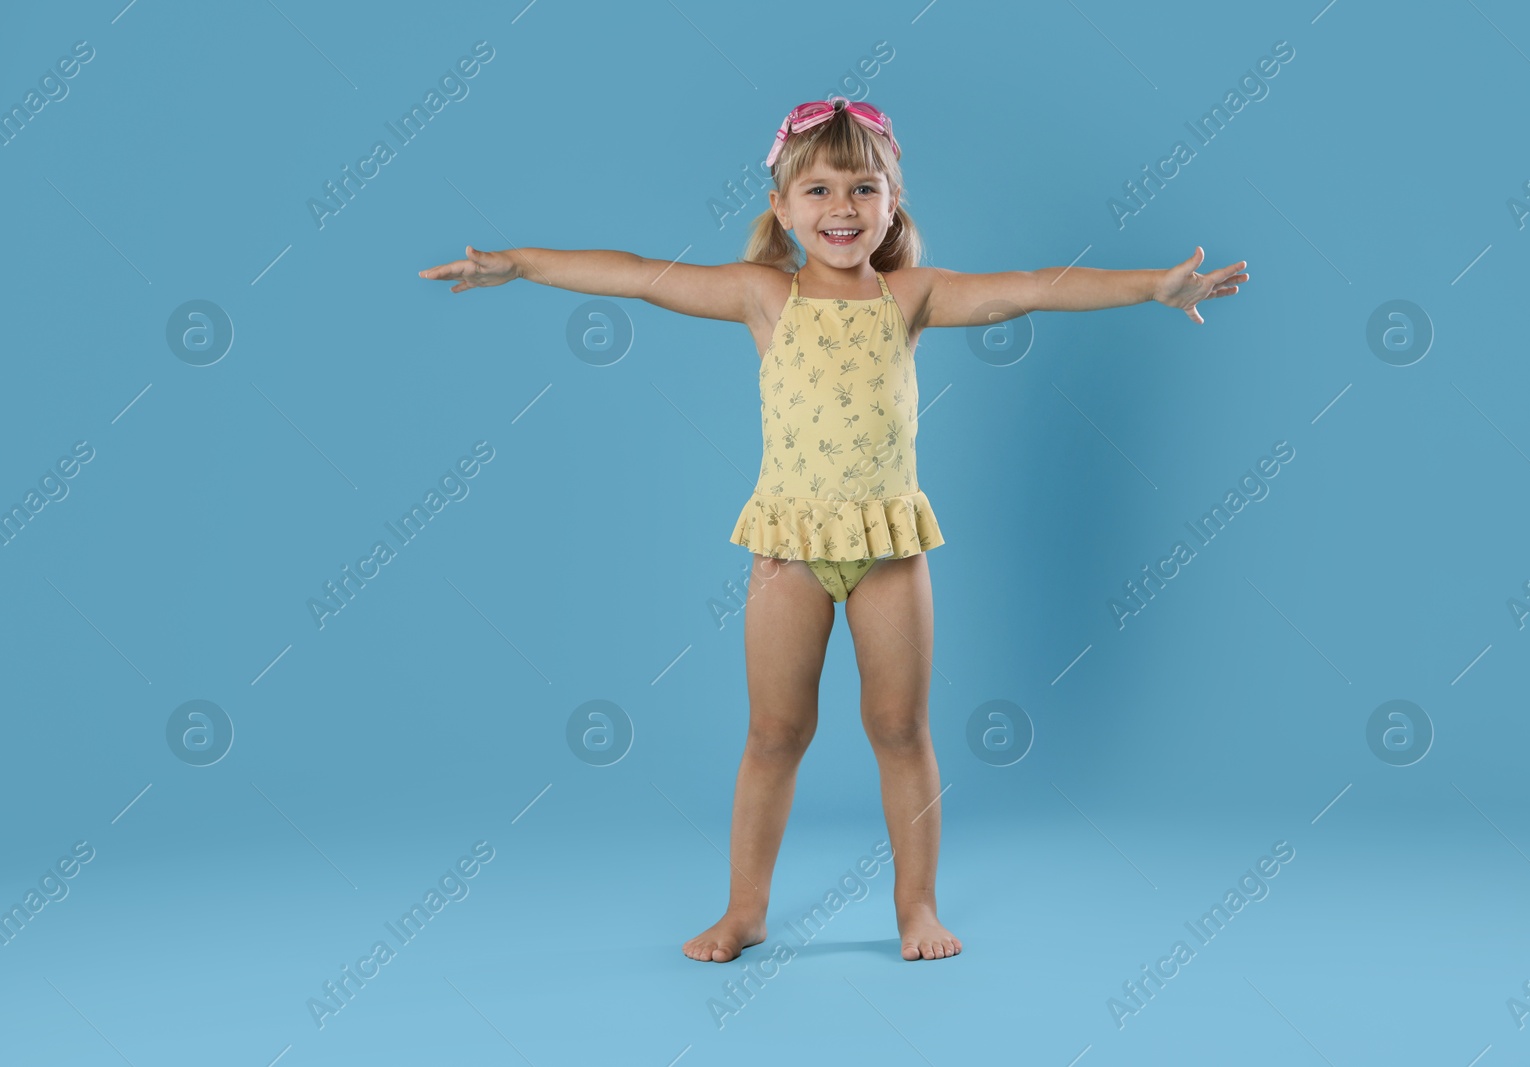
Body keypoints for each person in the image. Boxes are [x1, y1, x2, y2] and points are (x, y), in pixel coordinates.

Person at [418, 96, 1249, 963]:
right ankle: (744, 909)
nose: (841, 208)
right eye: (817, 190)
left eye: (863, 187)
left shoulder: (912, 297)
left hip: (889, 551)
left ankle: (916, 907)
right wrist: (519, 263)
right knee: (775, 732)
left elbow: (1033, 286)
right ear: (780, 208)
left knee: (901, 730)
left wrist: (1152, 287)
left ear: (894, 204)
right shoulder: (761, 297)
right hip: (789, 554)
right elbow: (635, 273)